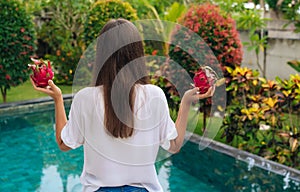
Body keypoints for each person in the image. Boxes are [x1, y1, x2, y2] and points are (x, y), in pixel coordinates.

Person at [31, 18, 214, 192]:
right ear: (137, 54)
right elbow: (174, 145)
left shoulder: (84, 98)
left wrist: (57, 98)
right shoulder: (154, 95)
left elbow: (64, 144)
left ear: (101, 55)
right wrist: (186, 102)